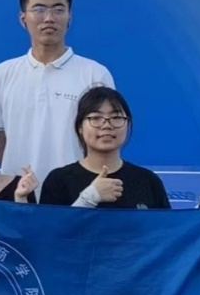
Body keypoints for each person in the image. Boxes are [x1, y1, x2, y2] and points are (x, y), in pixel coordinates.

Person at [0, 0, 114, 187]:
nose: (49, 18)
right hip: (17, 194)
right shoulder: (0, 75)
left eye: (58, 9)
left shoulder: (95, 75)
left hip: (79, 194)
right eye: (39, 9)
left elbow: (105, 140)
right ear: (23, 19)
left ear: (69, 17)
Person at [40, 87, 170, 209]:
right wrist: (89, 198)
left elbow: (165, 225)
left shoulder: (148, 181)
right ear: (80, 127)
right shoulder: (59, 181)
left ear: (128, 124)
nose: (106, 125)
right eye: (96, 118)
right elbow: (52, 226)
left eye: (116, 117)